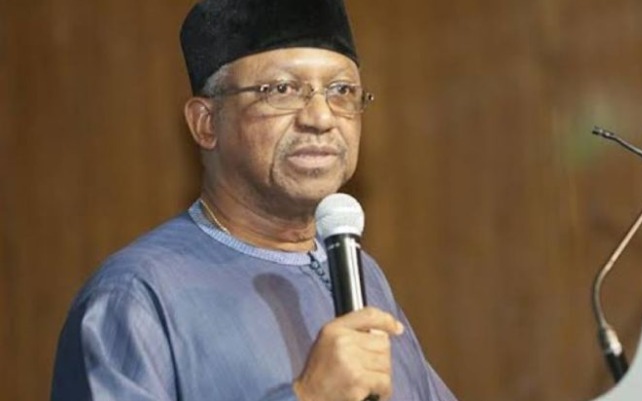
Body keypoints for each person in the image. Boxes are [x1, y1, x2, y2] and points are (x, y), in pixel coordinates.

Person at [50, 0, 457, 400]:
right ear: (206, 124)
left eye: (341, 90)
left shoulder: (360, 273)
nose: (321, 117)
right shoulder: (135, 295)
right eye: (281, 90)